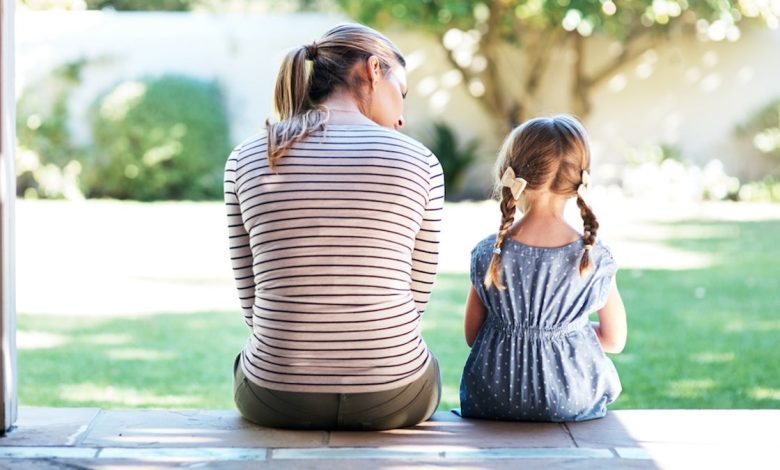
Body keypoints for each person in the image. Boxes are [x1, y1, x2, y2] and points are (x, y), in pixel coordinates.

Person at [224, 23, 444, 430]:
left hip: (276, 396)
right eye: (403, 93)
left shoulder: (248, 157)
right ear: (374, 69)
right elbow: (414, 301)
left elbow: (252, 301)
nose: (402, 116)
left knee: (247, 360)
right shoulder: (420, 162)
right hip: (394, 396)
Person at [459, 115, 627, 422]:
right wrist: (566, 330)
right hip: (570, 399)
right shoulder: (594, 256)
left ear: (511, 174)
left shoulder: (488, 252)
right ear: (579, 181)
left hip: (492, 398)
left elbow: (473, 335)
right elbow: (614, 340)